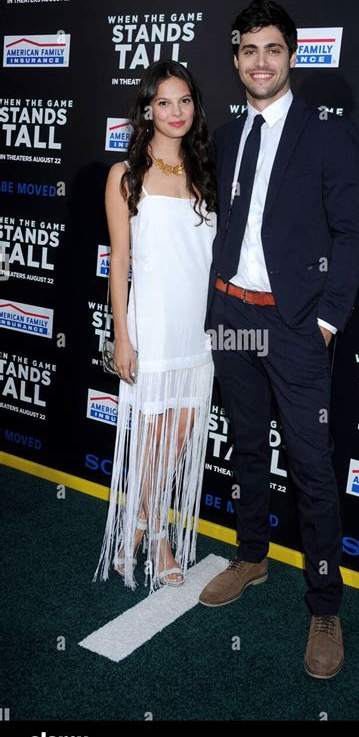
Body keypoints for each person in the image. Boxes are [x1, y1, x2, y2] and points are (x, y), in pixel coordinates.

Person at [199, 0, 359, 679]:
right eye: (249, 51)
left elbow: (352, 234)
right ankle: (252, 556)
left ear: (291, 56)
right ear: (236, 60)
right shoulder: (230, 133)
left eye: (272, 49)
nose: (260, 61)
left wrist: (326, 320)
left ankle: (325, 604)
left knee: (311, 468)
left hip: (294, 327)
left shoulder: (326, 134)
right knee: (244, 444)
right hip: (233, 317)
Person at [93, 60, 216, 593]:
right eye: (163, 102)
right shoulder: (125, 175)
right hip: (153, 324)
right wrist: (122, 336)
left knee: (179, 435)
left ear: (195, 106)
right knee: (152, 436)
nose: (175, 112)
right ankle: (160, 536)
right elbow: (119, 261)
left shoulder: (209, 170)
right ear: (147, 109)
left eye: (184, 100)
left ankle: (137, 524)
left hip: (200, 329)